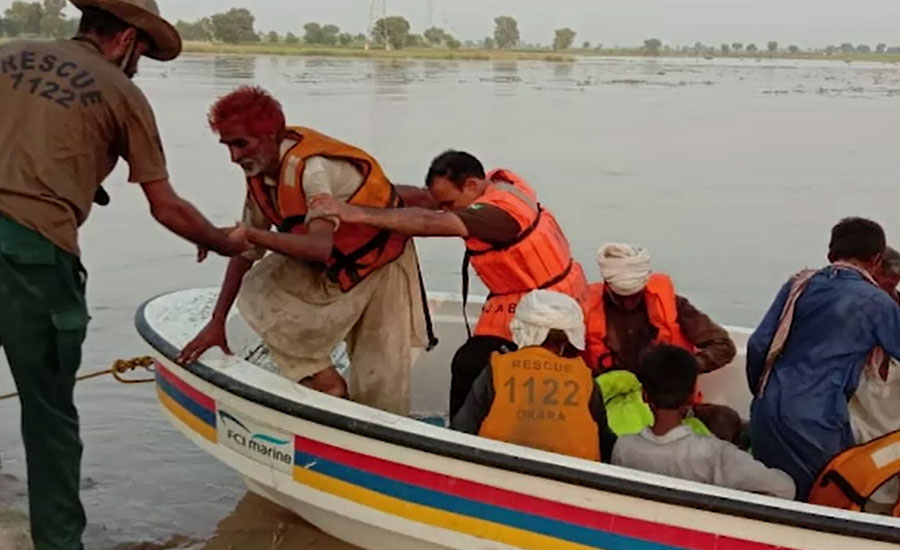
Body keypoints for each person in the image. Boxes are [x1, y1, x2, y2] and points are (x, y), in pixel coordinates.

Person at [0, 2, 249, 549]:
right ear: (126, 40)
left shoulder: (9, 53)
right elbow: (166, 206)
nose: (140, 67)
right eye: (143, 55)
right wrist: (223, 241)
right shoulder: (119, 90)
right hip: (32, 255)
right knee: (49, 420)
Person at [179, 86, 430, 415]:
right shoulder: (260, 176)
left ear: (269, 136)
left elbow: (318, 247)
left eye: (241, 144)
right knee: (259, 288)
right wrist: (217, 321)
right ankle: (326, 382)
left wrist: (250, 235)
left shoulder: (313, 170)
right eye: (227, 146)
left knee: (381, 381)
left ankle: (383, 450)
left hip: (383, 265)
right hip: (339, 267)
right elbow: (245, 252)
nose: (234, 157)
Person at [310, 151, 589, 418]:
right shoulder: (497, 186)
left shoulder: (497, 217)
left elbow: (430, 222)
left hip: (544, 313)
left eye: (449, 205)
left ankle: (462, 438)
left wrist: (356, 214)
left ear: (471, 184)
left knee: (471, 365)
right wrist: (353, 195)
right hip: (527, 298)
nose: (443, 210)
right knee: (472, 362)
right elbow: (425, 202)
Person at [747, 217, 900, 500]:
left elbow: (759, 345)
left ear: (830, 254)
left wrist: (761, 394)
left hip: (766, 409)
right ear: (877, 259)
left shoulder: (797, 284)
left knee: (773, 497)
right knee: (825, 501)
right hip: (816, 418)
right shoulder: (877, 303)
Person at [585, 243, 740, 441]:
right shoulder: (587, 309)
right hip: (612, 404)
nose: (629, 302)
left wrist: (682, 368)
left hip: (669, 405)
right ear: (608, 285)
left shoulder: (673, 306)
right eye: (622, 296)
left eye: (635, 295)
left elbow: (723, 346)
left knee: (726, 420)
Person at [451, 290, 617, 462]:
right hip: (572, 479)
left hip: (499, 470)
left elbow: (462, 431)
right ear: (567, 340)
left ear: (521, 330)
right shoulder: (584, 379)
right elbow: (604, 442)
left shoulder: (496, 370)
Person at [612, 346, 795, 499]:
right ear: (692, 396)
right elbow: (785, 489)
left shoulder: (623, 448)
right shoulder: (715, 455)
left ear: (644, 395)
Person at [847, 245, 900, 513]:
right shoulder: (849, 309)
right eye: (882, 287)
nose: (887, 295)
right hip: (857, 418)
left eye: (893, 288)